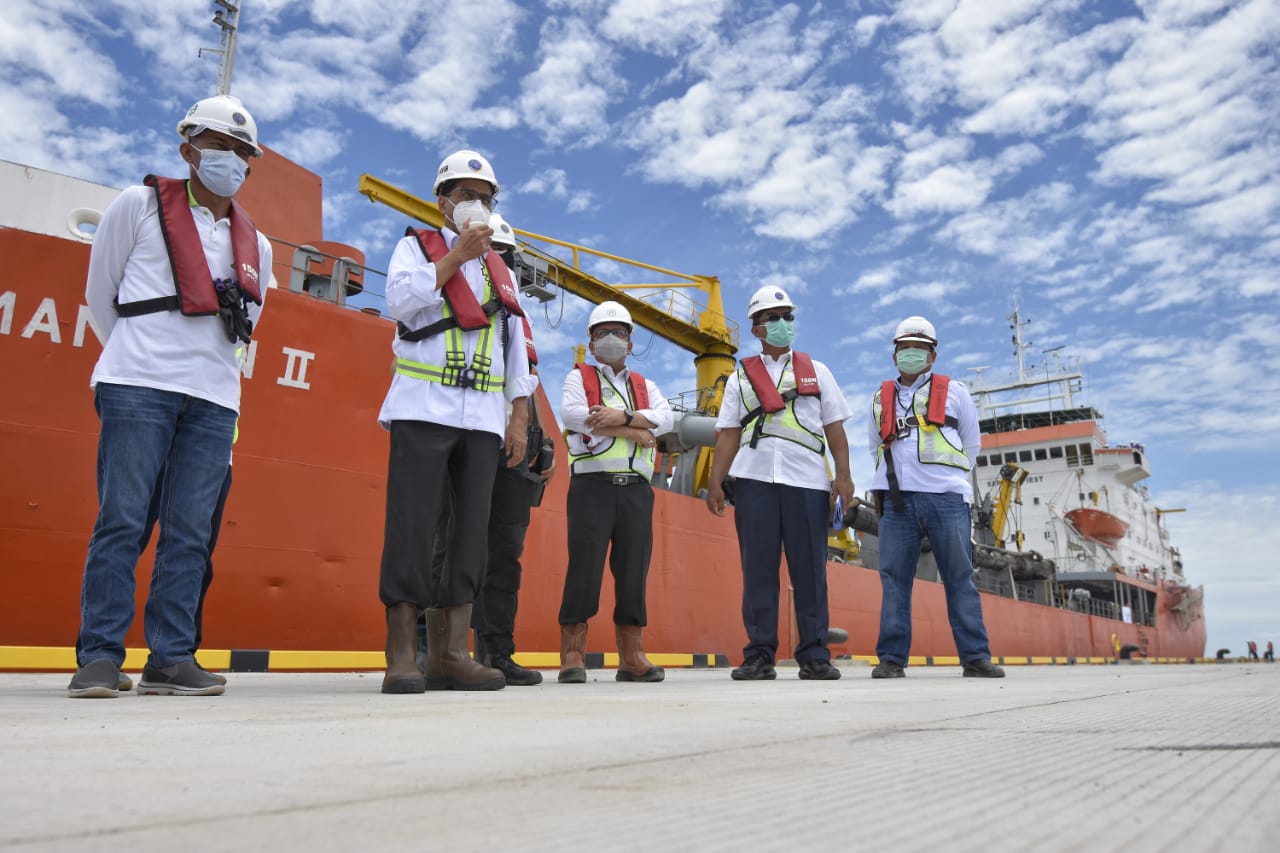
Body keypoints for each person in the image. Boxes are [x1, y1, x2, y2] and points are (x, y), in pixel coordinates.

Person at [69, 95, 271, 698]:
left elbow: (249, 324)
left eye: (241, 151)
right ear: (188, 149)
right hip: (137, 384)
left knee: (191, 532)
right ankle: (100, 657)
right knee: (122, 520)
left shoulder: (255, 245)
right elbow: (100, 295)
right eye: (217, 145)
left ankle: (171, 656)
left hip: (213, 398)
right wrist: (138, 357)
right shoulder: (136, 207)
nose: (229, 158)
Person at [378, 150, 537, 694]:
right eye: (464, 194)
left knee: (470, 533)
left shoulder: (502, 271)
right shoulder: (414, 248)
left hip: (485, 420)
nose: (475, 204)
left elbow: (517, 345)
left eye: (484, 196)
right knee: (413, 528)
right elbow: (399, 301)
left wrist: (518, 416)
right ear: (442, 202)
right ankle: (402, 653)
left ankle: (450, 653)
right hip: (423, 406)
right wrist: (454, 257)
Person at [423, 214, 553, 687]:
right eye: (488, 249)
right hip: (464, 433)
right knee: (448, 544)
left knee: (504, 554)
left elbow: (525, 381)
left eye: (504, 254)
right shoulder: (444, 296)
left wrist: (541, 438)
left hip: (514, 448)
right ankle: (431, 649)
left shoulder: (519, 315)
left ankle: (498, 650)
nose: (495, 260)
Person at [706, 286, 854, 681]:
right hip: (754, 479)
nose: (784, 323)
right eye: (774, 317)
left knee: (810, 573)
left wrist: (843, 476)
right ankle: (759, 654)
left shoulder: (817, 371)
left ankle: (814, 655)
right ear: (756, 328)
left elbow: (835, 428)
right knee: (758, 571)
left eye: (787, 316)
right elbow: (728, 434)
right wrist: (715, 483)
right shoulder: (740, 378)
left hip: (807, 481)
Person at [867, 316, 1004, 679]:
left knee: (959, 577)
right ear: (895, 353)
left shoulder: (956, 391)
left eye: (919, 348)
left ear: (933, 355)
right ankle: (891, 660)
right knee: (894, 580)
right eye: (905, 347)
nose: (911, 353)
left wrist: (948, 478)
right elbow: (875, 447)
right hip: (898, 502)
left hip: (947, 498)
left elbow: (971, 444)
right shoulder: (880, 397)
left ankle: (976, 657)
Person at [558, 301, 673, 684]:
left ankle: (631, 655)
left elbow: (666, 418)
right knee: (584, 569)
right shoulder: (579, 378)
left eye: (618, 333)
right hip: (591, 487)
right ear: (591, 343)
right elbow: (573, 415)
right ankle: (573, 654)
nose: (611, 339)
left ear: (630, 341)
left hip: (636, 492)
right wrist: (636, 430)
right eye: (602, 333)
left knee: (633, 572)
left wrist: (619, 418)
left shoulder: (646, 385)